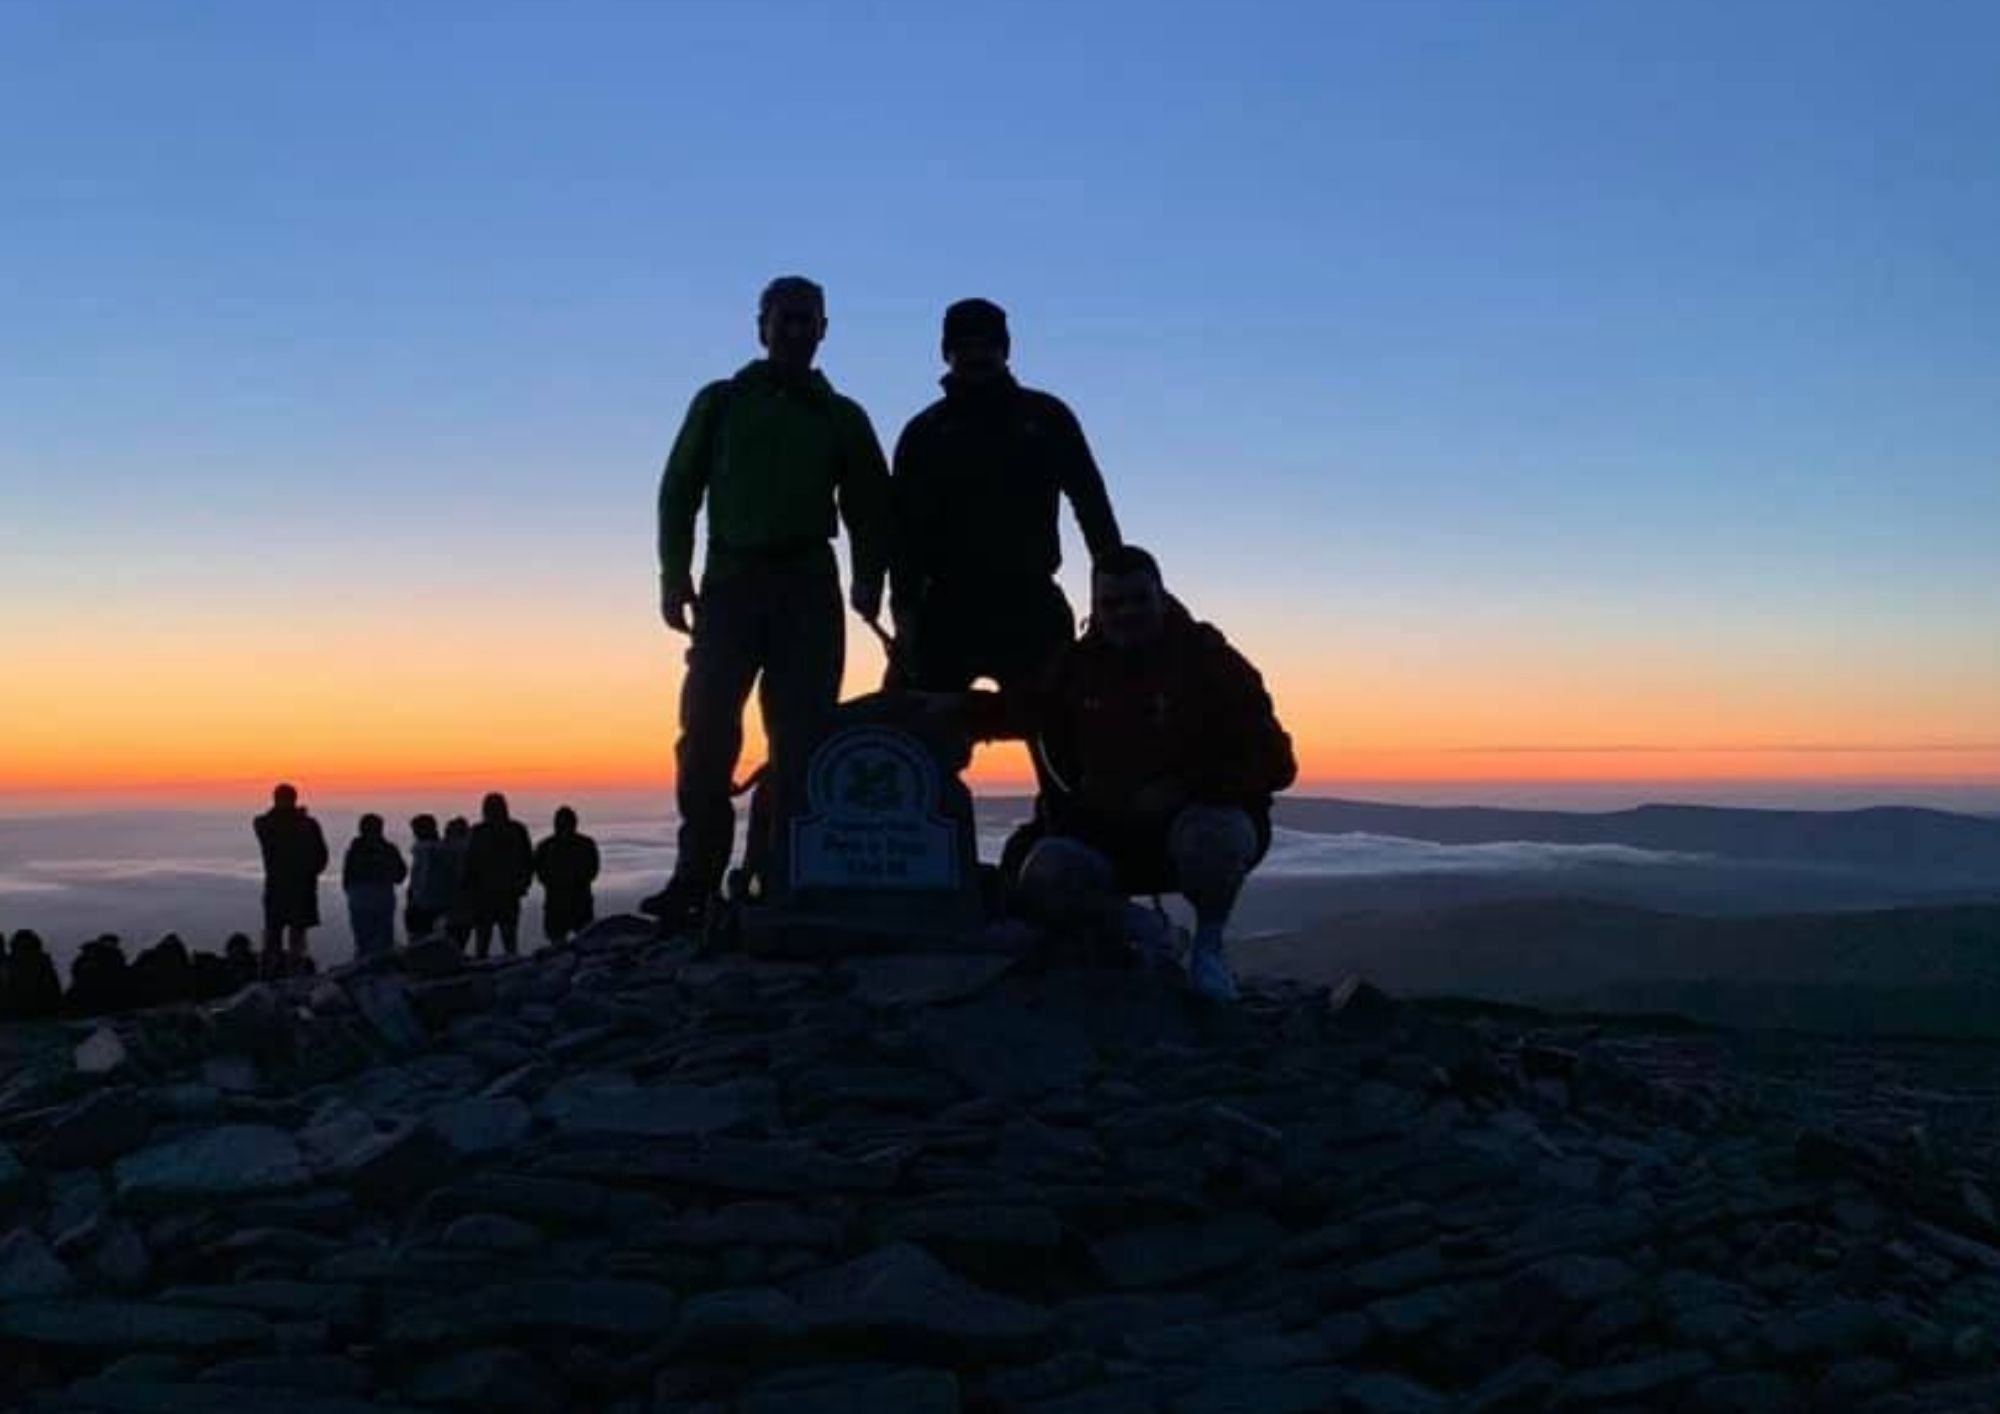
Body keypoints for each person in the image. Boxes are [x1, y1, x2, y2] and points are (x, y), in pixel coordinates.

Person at [644, 275, 892, 932]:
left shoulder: (842, 415)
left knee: (803, 738)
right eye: (784, 318)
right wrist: (673, 574)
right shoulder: (721, 402)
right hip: (729, 583)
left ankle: (779, 872)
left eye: (807, 319)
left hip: (809, 584)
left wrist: (870, 579)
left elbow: (871, 507)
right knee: (705, 734)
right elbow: (678, 491)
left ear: (824, 330)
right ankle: (694, 878)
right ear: (761, 326)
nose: (795, 329)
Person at [963, 545, 1296, 1001]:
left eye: (1138, 599)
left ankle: (1208, 949)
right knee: (1043, 874)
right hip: (1109, 835)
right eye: (1111, 603)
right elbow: (1023, 710)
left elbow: (1275, 759)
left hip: (1193, 824)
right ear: (1095, 608)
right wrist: (940, 710)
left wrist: (1187, 788)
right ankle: (1145, 932)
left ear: (1161, 595)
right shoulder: (1077, 667)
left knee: (1213, 838)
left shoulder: (1210, 660)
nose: (1125, 613)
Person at [887, 297, 1122, 698]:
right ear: (947, 352)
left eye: (988, 345)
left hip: (1031, 605)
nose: (977, 355)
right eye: (964, 346)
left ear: (1005, 350)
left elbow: (1091, 504)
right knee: (915, 742)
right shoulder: (923, 433)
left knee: (1063, 736)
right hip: (944, 611)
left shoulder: (1047, 417)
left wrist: (1111, 584)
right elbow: (902, 532)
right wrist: (904, 613)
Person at [253, 783, 329, 973]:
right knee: (297, 935)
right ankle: (294, 974)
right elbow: (321, 856)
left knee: (273, 933)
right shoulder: (308, 824)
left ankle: (270, 974)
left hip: (276, 887)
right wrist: (309, 872)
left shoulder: (266, 824)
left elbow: (261, 822)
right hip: (302, 887)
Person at [462, 793, 533, 959]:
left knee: (485, 941)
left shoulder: (478, 832)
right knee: (506, 939)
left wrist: (467, 889)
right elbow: (527, 860)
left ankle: (482, 974)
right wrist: (523, 884)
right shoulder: (516, 830)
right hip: (505, 893)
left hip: (487, 895)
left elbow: (469, 864)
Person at [342, 814, 408, 958]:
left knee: (363, 938)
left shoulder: (355, 850)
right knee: (384, 938)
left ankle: (364, 968)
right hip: (383, 896)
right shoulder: (389, 849)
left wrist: (352, 892)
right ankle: (382, 970)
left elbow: (347, 877)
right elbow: (400, 875)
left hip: (360, 898)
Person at [533, 806, 601, 945]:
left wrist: (568, 882)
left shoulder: (585, 844)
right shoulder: (546, 846)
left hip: (577, 902)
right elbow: (539, 872)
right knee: (559, 942)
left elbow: (592, 870)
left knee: (584, 942)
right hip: (559, 902)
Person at [404, 815, 455, 939]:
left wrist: (414, 898)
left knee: (419, 938)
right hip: (439, 902)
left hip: (424, 904)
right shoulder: (441, 848)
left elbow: (422, 878)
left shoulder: (425, 850)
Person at [2, 930, 62, 1020]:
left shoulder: (42, 962)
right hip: (18, 1012)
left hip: (40, 1011)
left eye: (27, 946)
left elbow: (53, 987)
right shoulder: (8, 963)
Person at [440, 816, 474, 948]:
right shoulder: (468, 849)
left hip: (450, 900)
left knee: (451, 934)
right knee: (460, 934)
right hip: (465, 900)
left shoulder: (443, 849)